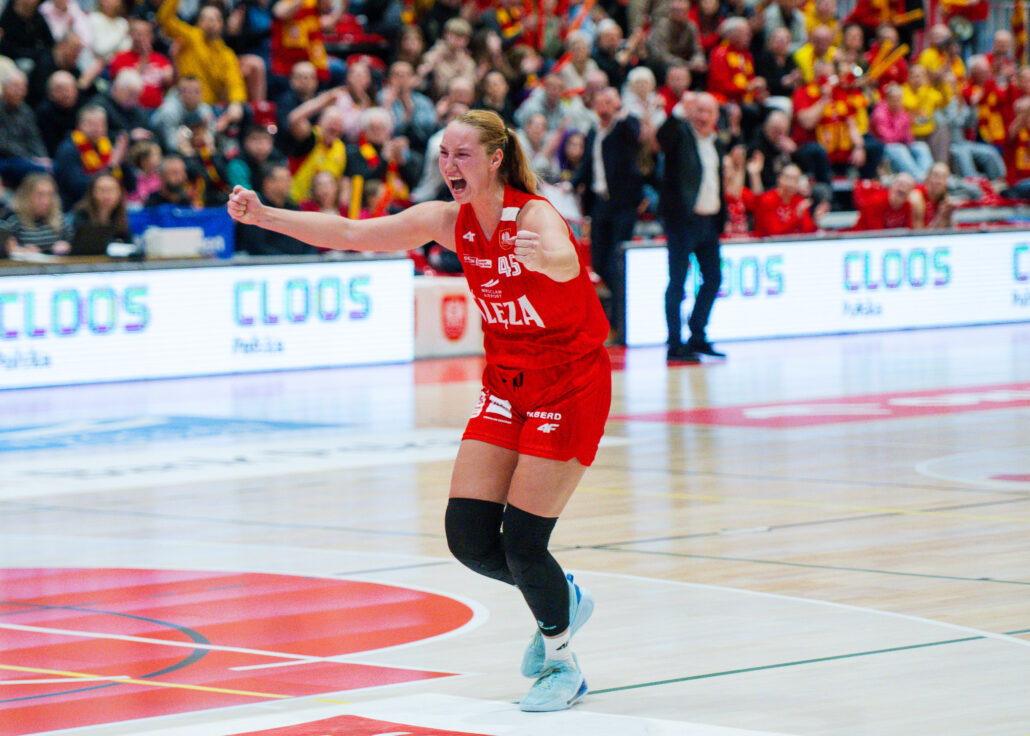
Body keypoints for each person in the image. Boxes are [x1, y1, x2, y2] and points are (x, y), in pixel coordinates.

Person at [229, 108, 608, 713]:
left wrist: (546, 261)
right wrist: (265, 215)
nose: (449, 165)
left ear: (495, 159)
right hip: (507, 384)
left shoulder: (533, 215)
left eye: (462, 155)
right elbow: (351, 233)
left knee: (523, 544)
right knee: (469, 539)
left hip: (569, 385)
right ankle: (563, 596)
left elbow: (567, 261)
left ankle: (562, 661)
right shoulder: (448, 220)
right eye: (443, 155)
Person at [657, 91, 727, 363]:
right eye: (698, 110)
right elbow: (663, 138)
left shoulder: (716, 143)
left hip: (709, 221)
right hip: (682, 222)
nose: (703, 117)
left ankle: (697, 334)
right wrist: (677, 112)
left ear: (716, 116)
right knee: (677, 282)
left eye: (708, 111)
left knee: (713, 279)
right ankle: (674, 343)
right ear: (690, 112)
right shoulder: (681, 136)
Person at [2, 173, 72, 256]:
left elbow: (75, 245)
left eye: (50, 195)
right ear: (26, 196)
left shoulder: (61, 220)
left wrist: (68, 246)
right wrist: (17, 250)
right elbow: (6, 248)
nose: (46, 201)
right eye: (40, 195)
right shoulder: (13, 221)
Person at [70, 172, 132, 245]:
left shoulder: (121, 216)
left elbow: (129, 243)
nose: (107, 195)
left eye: (112, 190)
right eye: (102, 190)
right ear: (92, 192)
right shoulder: (81, 214)